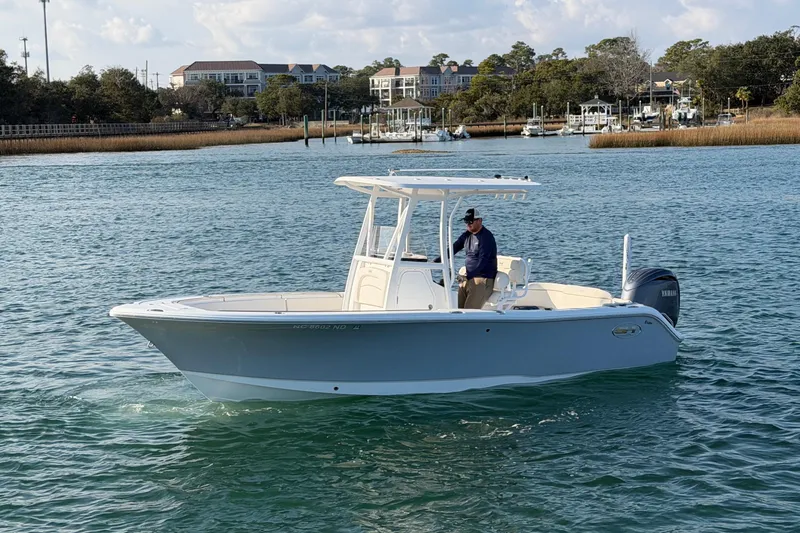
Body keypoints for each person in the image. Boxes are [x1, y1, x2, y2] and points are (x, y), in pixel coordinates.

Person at [449, 207, 497, 309]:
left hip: (482, 280)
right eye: (466, 221)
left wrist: (470, 276)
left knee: (468, 312)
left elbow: (483, 261)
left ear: (479, 221)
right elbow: (454, 248)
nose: (468, 224)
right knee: (459, 311)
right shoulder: (467, 235)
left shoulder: (486, 237)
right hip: (469, 278)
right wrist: (437, 260)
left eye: (470, 221)